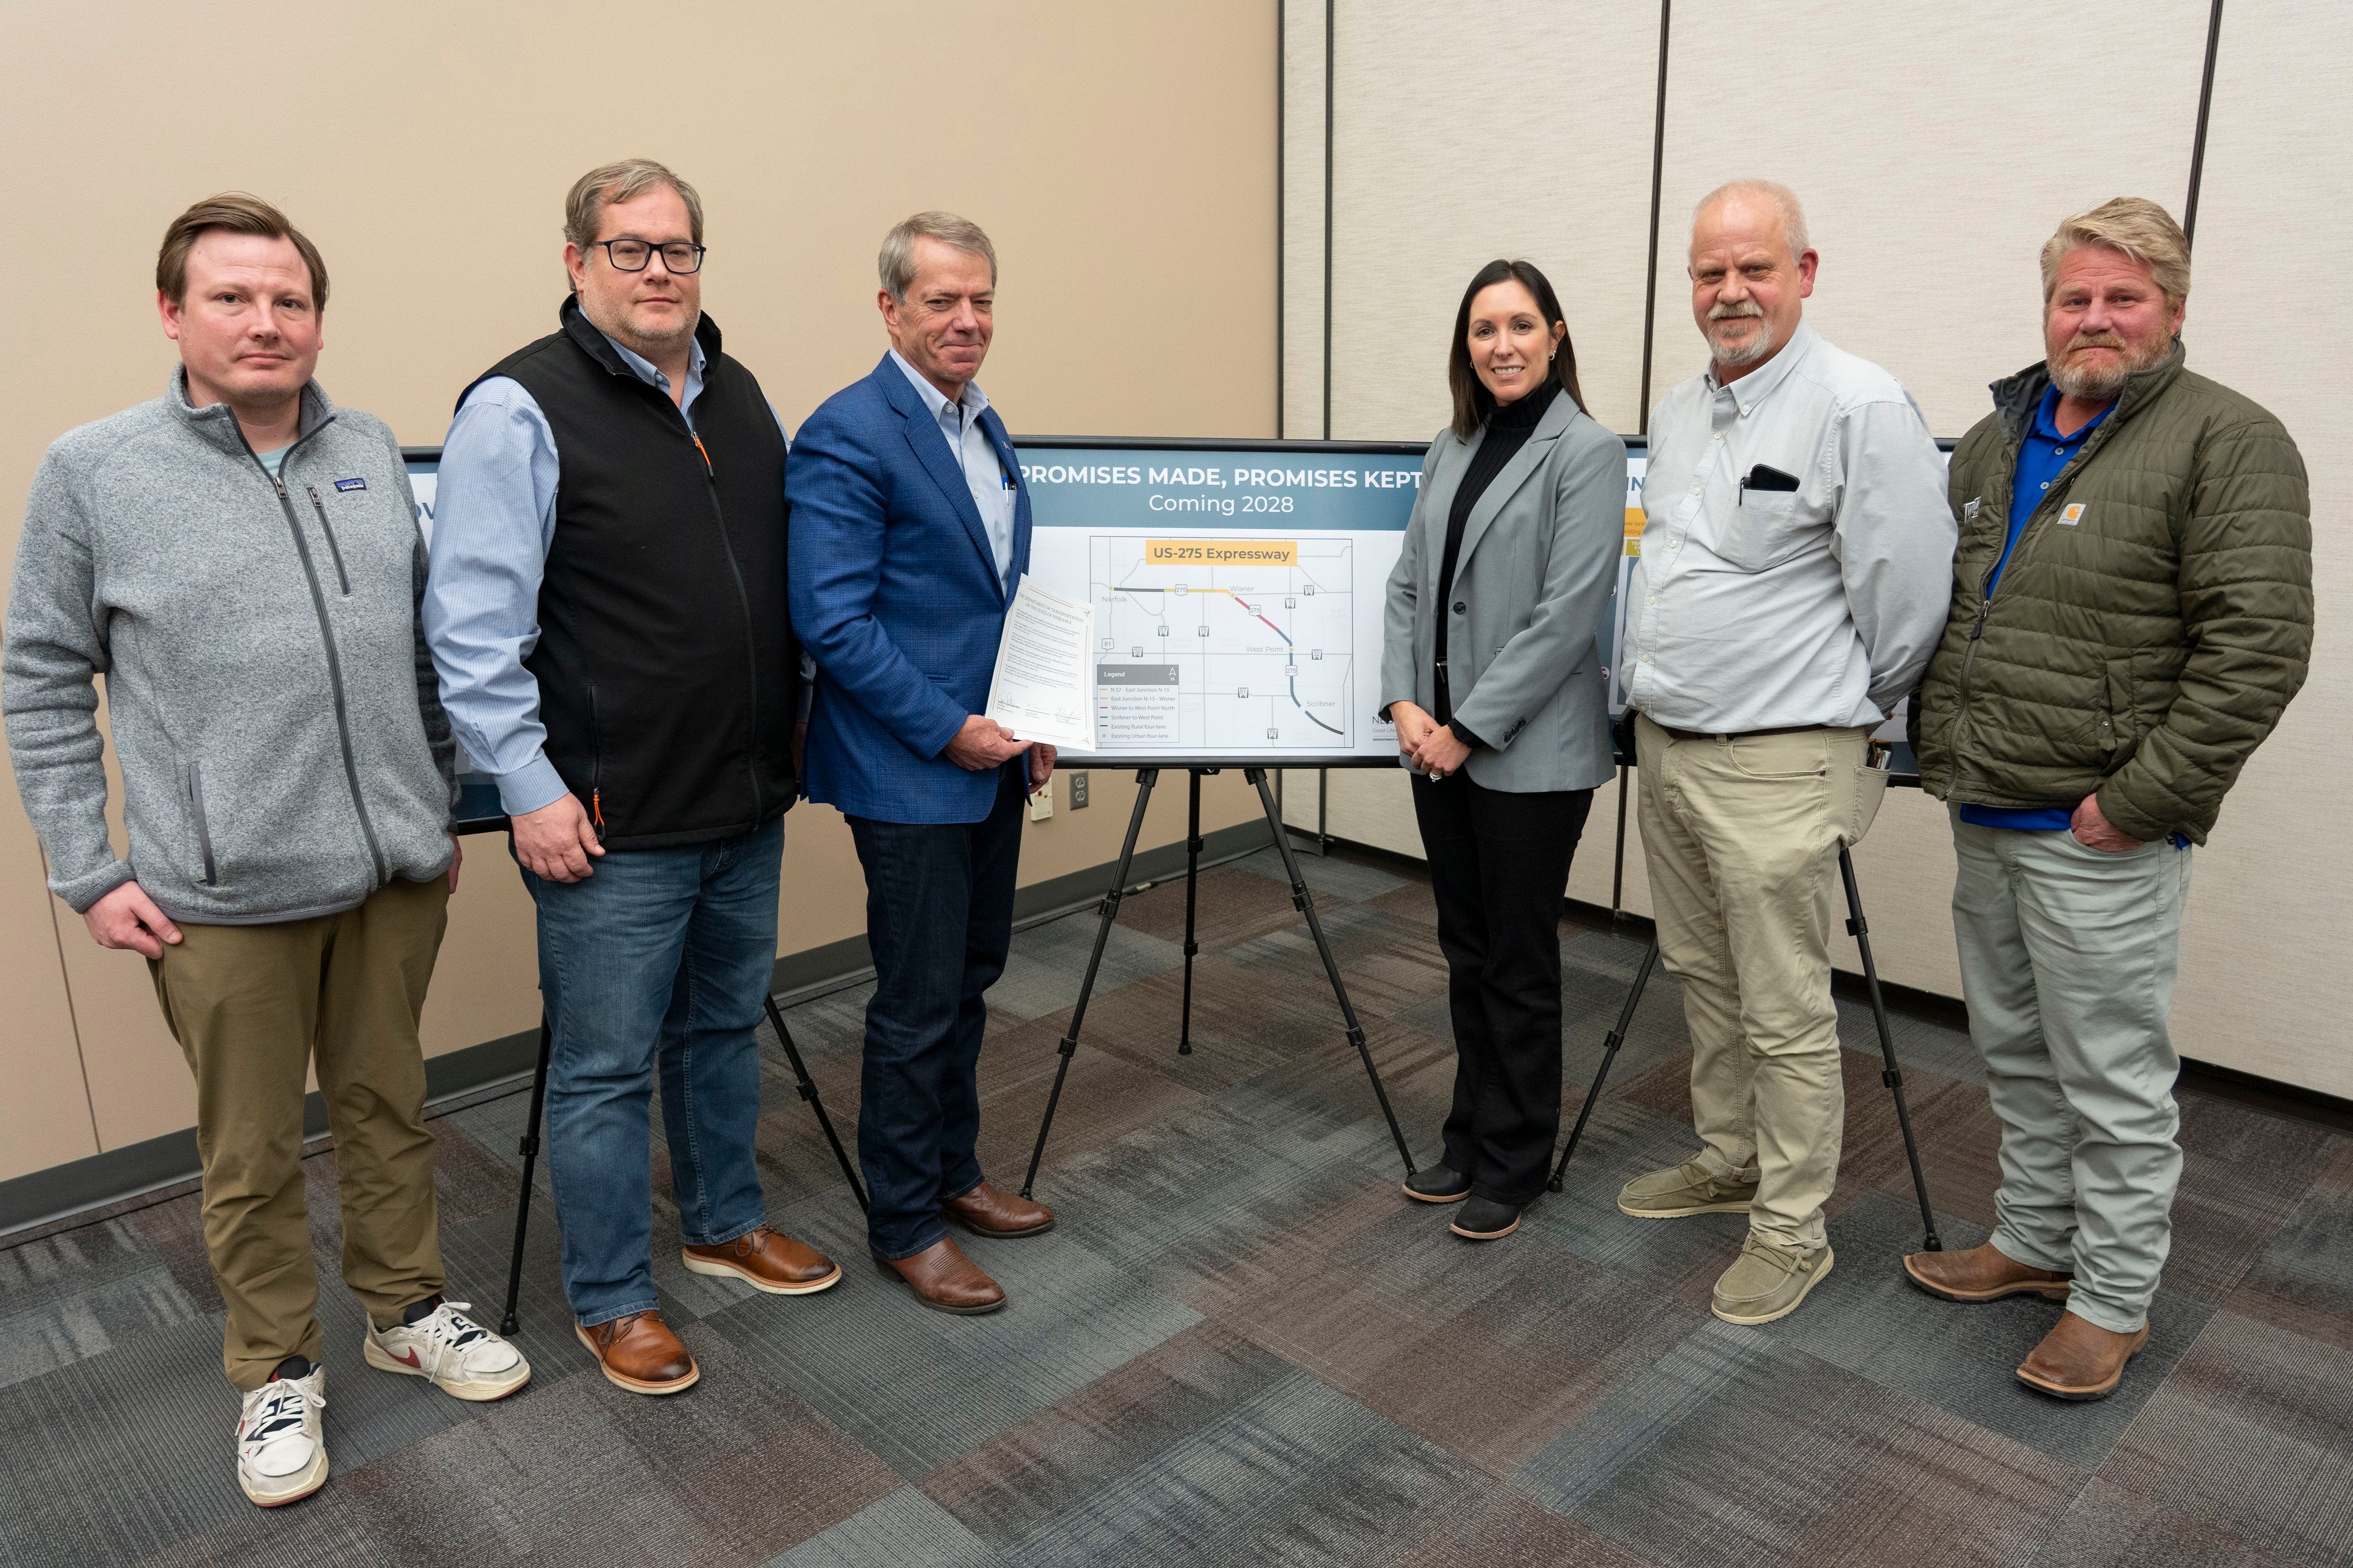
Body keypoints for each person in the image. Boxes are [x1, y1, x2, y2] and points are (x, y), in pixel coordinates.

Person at [3, 194, 529, 1508]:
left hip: (392, 875)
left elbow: (414, 652)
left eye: (289, 299)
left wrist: (437, 807)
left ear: (316, 317)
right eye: (232, 297)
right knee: (245, 1154)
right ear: (173, 314)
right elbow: (42, 677)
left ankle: (405, 1310)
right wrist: (90, 866)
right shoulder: (96, 470)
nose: (264, 321)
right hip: (222, 894)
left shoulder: (363, 450)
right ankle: (273, 1368)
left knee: (387, 1111)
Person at [424, 159, 835, 1399]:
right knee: (603, 1070)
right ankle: (611, 1297)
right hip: (607, 822)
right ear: (576, 263)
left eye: (679, 250)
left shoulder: (737, 390)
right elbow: (471, 630)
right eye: (631, 249)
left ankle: (719, 1222)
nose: (660, 272)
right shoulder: (518, 407)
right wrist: (528, 792)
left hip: (741, 802)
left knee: (720, 1030)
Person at [1906, 198, 2312, 1400]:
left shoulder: (2224, 440)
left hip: (2097, 835)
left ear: (2171, 312)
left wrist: (2134, 804)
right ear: (2044, 312)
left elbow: (2258, 648)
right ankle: (2032, 1245)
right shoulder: (1994, 438)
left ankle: (2111, 1299)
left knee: (2112, 1079)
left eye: (2120, 298)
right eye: (2071, 298)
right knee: (2017, 1056)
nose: (2091, 319)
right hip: (1986, 809)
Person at [1613, 180, 1955, 1325]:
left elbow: (1907, 595)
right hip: (1668, 751)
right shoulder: (1675, 410)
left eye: (1753, 269)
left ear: (1803, 274)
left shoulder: (1858, 405)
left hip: (1780, 763)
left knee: (1783, 1007)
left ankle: (1790, 1229)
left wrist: (1847, 713)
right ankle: (1730, 1161)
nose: (1729, 292)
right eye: (1709, 272)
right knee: (1703, 979)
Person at [788, 212, 1055, 1315]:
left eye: (982, 298)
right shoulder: (849, 432)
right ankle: (903, 1219)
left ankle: (954, 1172)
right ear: (890, 307)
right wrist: (951, 729)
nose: (967, 319)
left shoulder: (983, 425)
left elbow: (991, 599)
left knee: (973, 979)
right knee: (914, 999)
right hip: (911, 768)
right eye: (942, 300)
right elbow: (832, 621)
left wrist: (1031, 714)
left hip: (990, 762)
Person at [1379, 260, 1623, 1242]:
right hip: (1435, 744)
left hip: (1525, 754)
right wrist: (1402, 699)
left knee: (1518, 959)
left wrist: (1465, 727)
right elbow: (1408, 585)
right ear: (1465, 346)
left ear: (1557, 335)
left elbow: (1569, 616)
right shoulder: (1453, 443)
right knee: (1465, 948)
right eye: (1485, 329)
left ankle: (1518, 1159)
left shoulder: (1589, 451)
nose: (1504, 345)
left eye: (1522, 325)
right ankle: (1470, 1134)